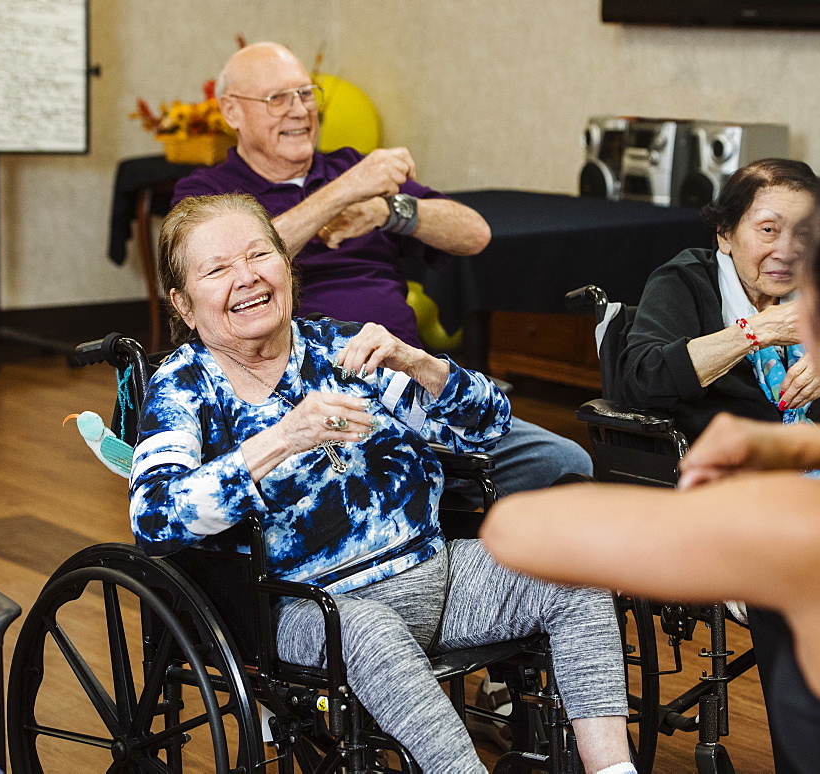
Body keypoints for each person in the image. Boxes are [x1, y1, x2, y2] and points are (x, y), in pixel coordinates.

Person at [482, 150, 820, 773]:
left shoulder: (809, 533)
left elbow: (517, 532)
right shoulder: (686, 285)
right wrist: (813, 442)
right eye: (768, 228)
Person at [129, 193, 632, 773]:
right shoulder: (185, 388)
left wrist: (420, 364)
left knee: (574, 571)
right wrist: (284, 438)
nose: (246, 277)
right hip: (310, 606)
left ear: (286, 267)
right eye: (217, 270)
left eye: (258, 254)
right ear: (185, 306)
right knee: (369, 633)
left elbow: (487, 425)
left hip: (436, 572)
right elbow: (154, 517)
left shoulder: (338, 349)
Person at [171, 41, 594, 501]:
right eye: (278, 99)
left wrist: (390, 210)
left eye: (306, 94)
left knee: (564, 462)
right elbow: (247, 263)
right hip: (309, 397)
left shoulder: (349, 166)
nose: (299, 111)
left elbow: (474, 234)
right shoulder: (208, 194)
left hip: (407, 380)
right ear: (231, 110)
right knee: (383, 478)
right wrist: (345, 190)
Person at [617, 157, 820, 442]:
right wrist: (757, 331)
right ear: (725, 234)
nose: (787, 251)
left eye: (804, 233)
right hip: (721, 468)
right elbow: (644, 380)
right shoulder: (684, 281)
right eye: (768, 230)